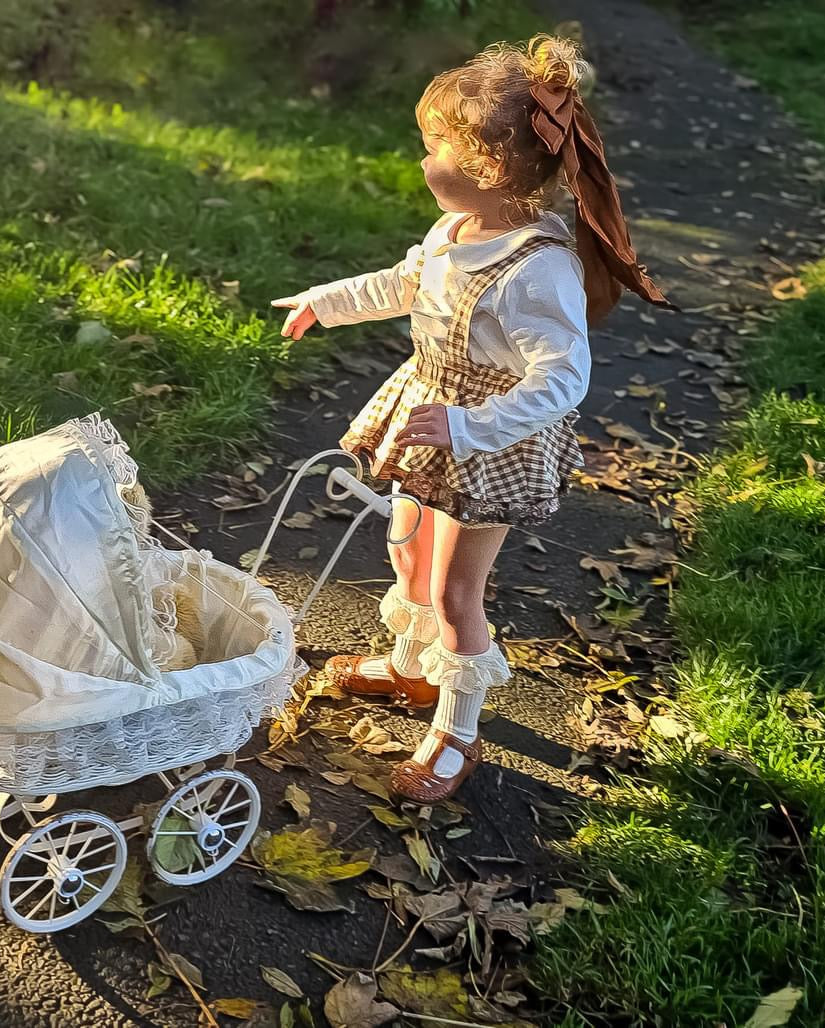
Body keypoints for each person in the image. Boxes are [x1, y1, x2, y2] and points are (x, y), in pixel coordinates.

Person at [272, 35, 670, 802]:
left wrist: (467, 427)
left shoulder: (537, 270)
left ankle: (457, 728)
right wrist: (329, 302)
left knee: (457, 590)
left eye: (436, 147)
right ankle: (413, 668)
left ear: (486, 168)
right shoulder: (455, 233)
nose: (423, 161)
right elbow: (405, 283)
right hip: (428, 417)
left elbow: (563, 379)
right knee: (407, 554)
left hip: (489, 442)